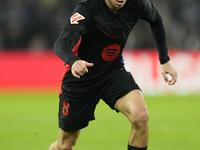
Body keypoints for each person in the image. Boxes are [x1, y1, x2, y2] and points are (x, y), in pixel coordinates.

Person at [48, 0, 178, 149]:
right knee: (65, 145)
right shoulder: (87, 9)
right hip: (81, 78)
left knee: (140, 116)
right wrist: (74, 61)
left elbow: (156, 19)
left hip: (112, 73)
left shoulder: (137, 4)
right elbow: (61, 43)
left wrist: (164, 60)